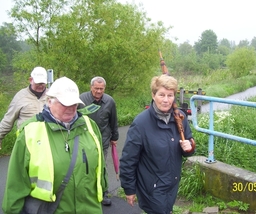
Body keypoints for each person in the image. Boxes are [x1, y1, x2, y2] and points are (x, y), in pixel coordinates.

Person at [2, 76, 108, 214]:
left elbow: (101, 170)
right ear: (49, 101)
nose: (71, 108)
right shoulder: (30, 131)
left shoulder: (90, 126)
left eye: (74, 104)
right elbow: (16, 182)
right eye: (65, 103)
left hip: (90, 209)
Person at [119, 74, 196, 214]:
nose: (166, 100)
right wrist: (129, 188)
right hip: (151, 187)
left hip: (172, 183)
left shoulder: (180, 118)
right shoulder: (141, 123)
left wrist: (189, 148)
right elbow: (128, 159)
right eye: (161, 95)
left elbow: (188, 144)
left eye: (170, 95)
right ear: (153, 95)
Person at [78, 76, 119, 206]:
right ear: (91, 87)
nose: (99, 91)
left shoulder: (110, 101)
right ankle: (85, 193)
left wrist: (115, 137)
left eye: (101, 89)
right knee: (84, 166)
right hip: (85, 139)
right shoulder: (81, 99)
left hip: (103, 139)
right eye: (96, 88)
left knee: (101, 166)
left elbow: (114, 121)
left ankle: (103, 192)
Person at [0, 66, 48, 150]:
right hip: (25, 143)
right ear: (30, 80)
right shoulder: (20, 97)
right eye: (38, 83)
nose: (40, 86)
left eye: (42, 83)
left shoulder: (51, 96)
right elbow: (8, 120)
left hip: (47, 143)